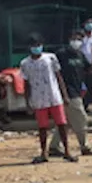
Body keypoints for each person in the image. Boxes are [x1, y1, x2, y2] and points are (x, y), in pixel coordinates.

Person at [19, 36, 76, 164]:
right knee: (42, 127)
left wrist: (64, 95)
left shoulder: (51, 58)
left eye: (38, 44)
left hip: (54, 96)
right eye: (34, 45)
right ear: (29, 47)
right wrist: (27, 102)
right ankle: (44, 152)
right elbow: (26, 84)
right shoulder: (25, 63)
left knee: (62, 124)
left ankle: (67, 151)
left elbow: (59, 77)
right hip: (38, 99)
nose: (36, 47)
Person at [50, 30, 92, 157]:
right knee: (81, 119)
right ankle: (84, 145)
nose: (78, 41)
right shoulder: (61, 54)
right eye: (76, 38)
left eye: (80, 38)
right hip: (67, 92)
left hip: (77, 90)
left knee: (65, 121)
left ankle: (54, 146)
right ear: (70, 38)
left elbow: (88, 70)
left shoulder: (80, 55)